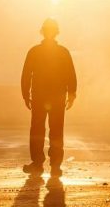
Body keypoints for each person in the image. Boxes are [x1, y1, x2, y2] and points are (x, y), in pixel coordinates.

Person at [20, 18, 77, 178]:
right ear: (56, 32)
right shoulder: (63, 52)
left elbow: (26, 75)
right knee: (56, 130)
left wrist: (25, 94)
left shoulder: (34, 52)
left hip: (40, 96)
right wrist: (71, 94)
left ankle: (38, 164)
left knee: (37, 130)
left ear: (42, 32)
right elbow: (71, 75)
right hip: (56, 97)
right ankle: (55, 166)